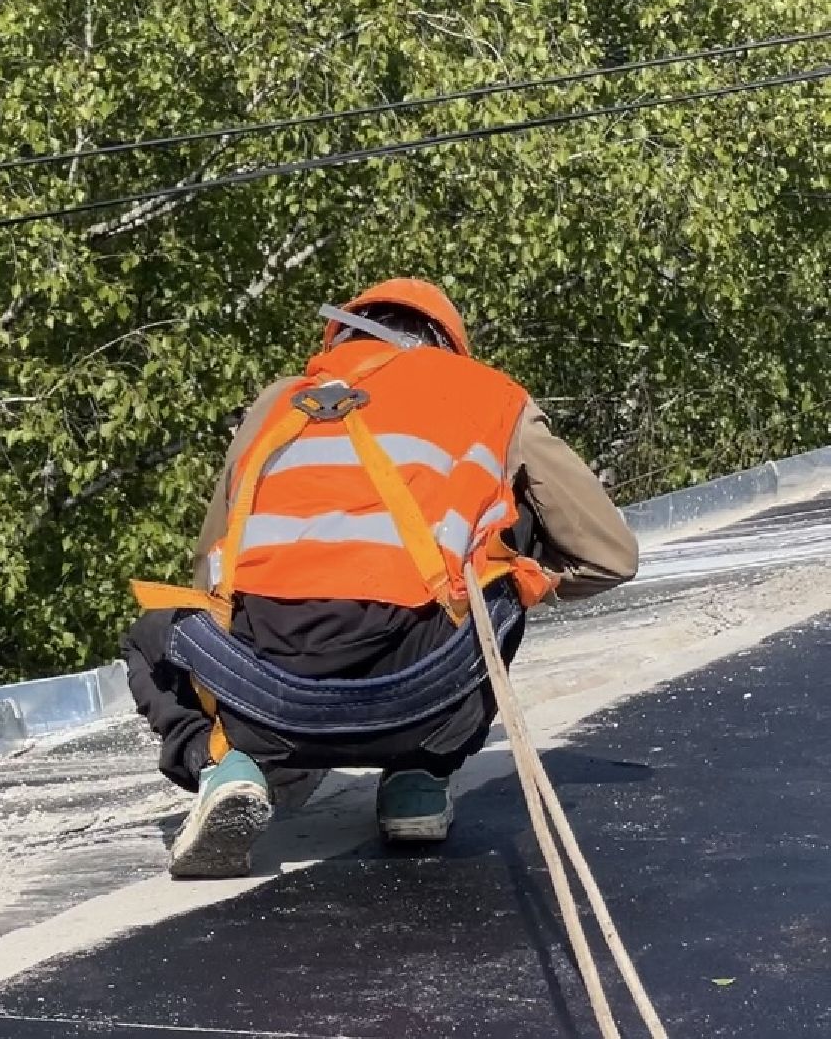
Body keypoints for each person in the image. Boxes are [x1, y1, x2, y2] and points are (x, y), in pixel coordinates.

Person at [125, 278, 637, 878]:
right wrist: (524, 583)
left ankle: (228, 766)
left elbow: (212, 570)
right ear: (446, 344)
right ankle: (420, 776)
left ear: (343, 333)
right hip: (422, 692)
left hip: (265, 696)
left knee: (154, 630)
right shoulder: (493, 397)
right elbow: (610, 556)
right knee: (501, 554)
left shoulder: (278, 403)